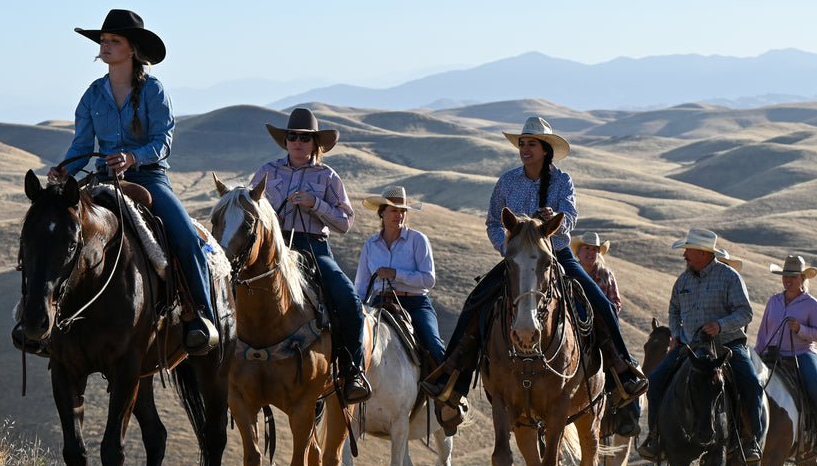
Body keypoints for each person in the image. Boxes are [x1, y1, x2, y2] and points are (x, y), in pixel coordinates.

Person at [421, 116, 648, 435]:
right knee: (475, 302)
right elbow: (493, 222)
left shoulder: (562, 181)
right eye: (522, 144)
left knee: (601, 304)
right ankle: (452, 378)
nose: (524, 149)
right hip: (517, 259)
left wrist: (555, 219)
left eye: (531, 144)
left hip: (556, 255)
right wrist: (509, 249)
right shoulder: (507, 181)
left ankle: (621, 372)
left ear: (545, 149)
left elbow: (570, 217)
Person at [29, 8, 218, 354]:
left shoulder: (153, 90)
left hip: (149, 178)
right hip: (103, 178)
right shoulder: (92, 94)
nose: (105, 45)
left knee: (186, 236)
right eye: (103, 40)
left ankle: (200, 318)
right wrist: (66, 169)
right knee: (53, 232)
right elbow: (82, 146)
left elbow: (162, 141)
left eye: (114, 41)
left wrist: (133, 156)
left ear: (132, 49)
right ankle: (37, 320)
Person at [250, 108, 372, 405]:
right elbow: (250, 210)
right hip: (274, 246)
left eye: (305, 138)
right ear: (285, 140)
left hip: (313, 247)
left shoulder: (327, 176)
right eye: (292, 136)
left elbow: (345, 222)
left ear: (315, 143)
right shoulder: (266, 171)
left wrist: (315, 203)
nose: (297, 142)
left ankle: (352, 371)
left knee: (348, 300)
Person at [637, 228, 764, 463]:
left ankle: (750, 440)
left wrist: (720, 325)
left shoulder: (729, 277)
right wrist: (677, 334)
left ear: (704, 254)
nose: (684, 255)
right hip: (690, 347)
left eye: (689, 251)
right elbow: (674, 310)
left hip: (727, 346)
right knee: (655, 381)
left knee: (751, 383)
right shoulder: (682, 280)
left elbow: (745, 312)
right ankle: (654, 437)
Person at [353, 185, 454, 415]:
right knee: (355, 338)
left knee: (433, 344)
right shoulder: (370, 245)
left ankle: (450, 400)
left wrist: (396, 274)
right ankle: (349, 383)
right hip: (380, 303)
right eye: (393, 210)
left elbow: (428, 279)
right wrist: (359, 309)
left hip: (415, 304)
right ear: (382, 213)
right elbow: (361, 285)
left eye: (402, 211)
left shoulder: (418, 240)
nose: (399, 215)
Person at [754, 255, 817, 455]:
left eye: (793, 276)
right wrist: (757, 356)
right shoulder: (774, 301)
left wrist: (800, 328)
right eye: (785, 276)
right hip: (772, 354)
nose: (788, 280)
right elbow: (763, 333)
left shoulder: (811, 304)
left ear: (802, 279)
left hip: (802, 353)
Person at [570, 232, 623, 314]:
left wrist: (602, 310)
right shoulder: (570, 273)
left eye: (594, 249)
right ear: (578, 253)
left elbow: (616, 303)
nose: (590, 252)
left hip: (600, 318)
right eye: (587, 248)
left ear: (598, 255)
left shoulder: (606, 275)